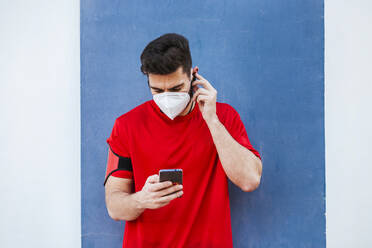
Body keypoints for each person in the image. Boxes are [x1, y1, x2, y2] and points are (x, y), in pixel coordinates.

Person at [103, 33, 262, 248]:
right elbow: (114, 206)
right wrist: (142, 199)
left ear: (193, 76)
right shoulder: (126, 126)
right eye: (157, 90)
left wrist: (212, 121)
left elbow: (250, 180)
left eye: (176, 88)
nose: (166, 97)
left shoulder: (224, 117)